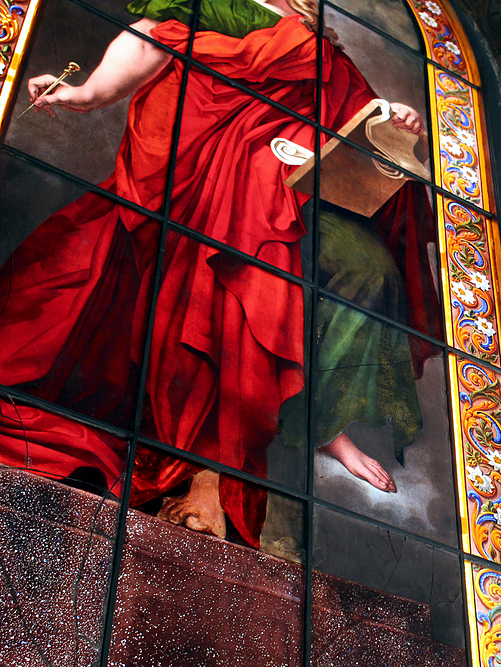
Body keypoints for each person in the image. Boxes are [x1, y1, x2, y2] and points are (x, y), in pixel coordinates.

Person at [0, 0, 440, 546]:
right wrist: (88, 94)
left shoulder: (316, 40)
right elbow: (149, 39)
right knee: (226, 273)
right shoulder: (214, 2)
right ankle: (230, 454)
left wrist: (396, 118)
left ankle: (316, 415)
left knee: (369, 270)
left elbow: (359, 124)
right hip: (200, 175)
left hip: (290, 196)